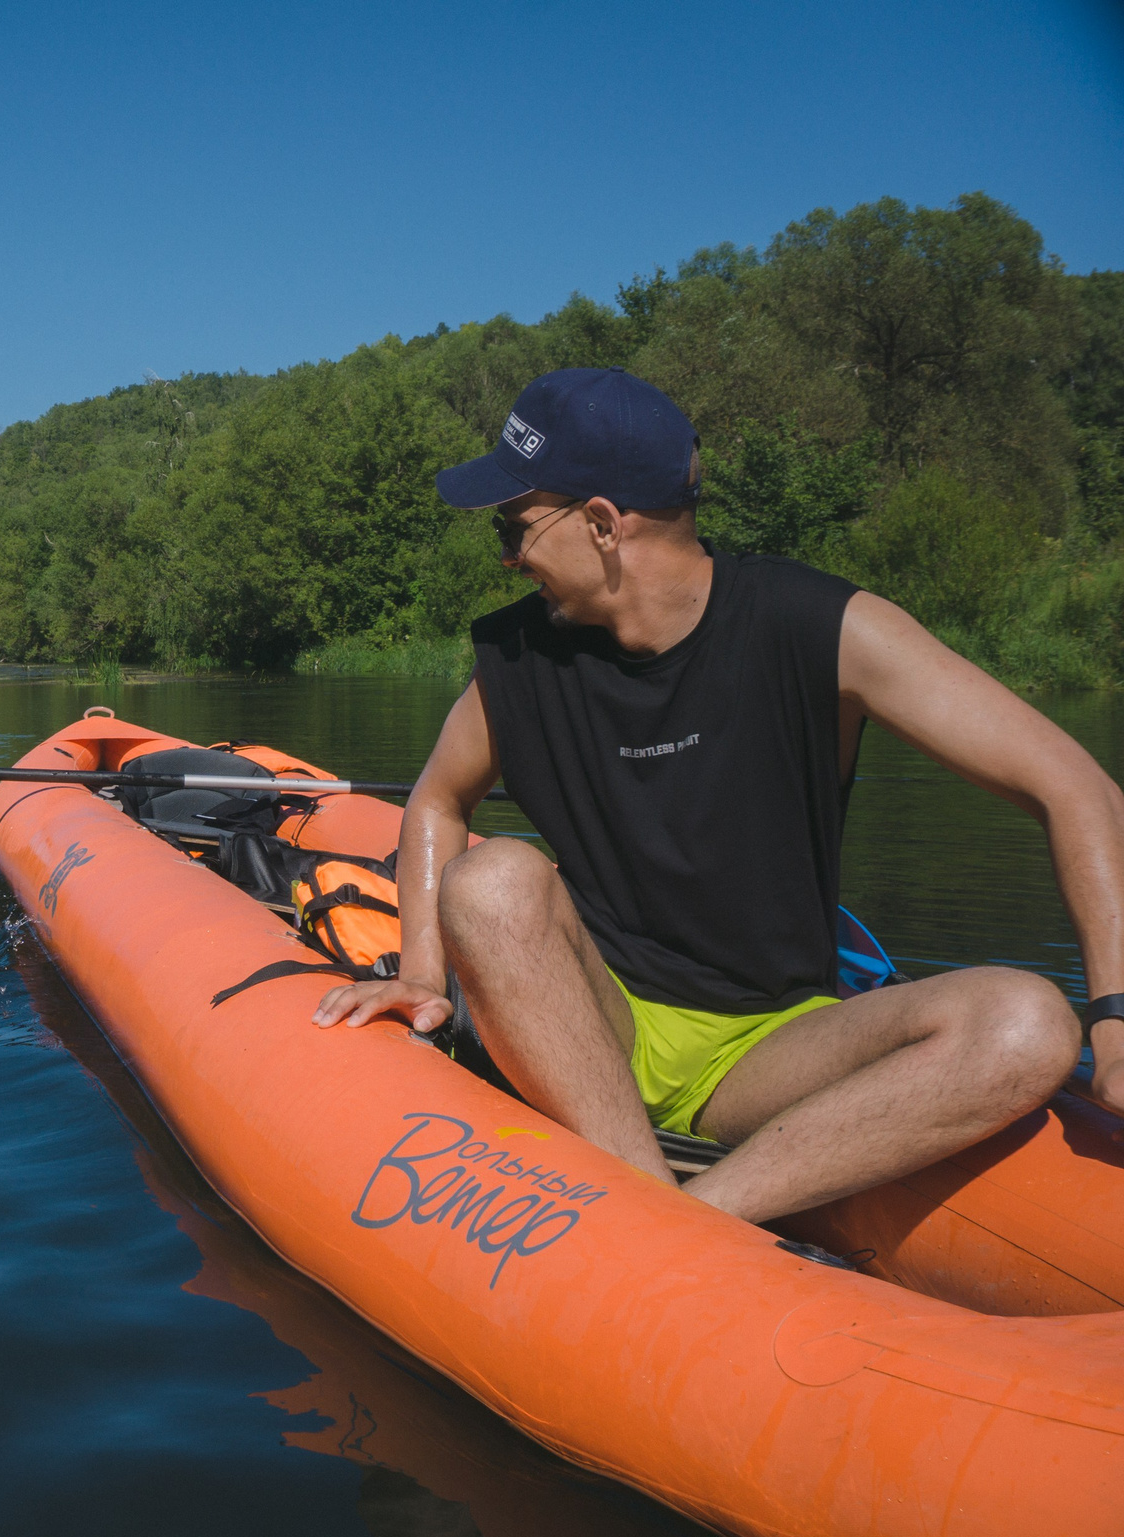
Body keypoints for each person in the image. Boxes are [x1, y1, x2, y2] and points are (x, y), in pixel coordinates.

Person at [312, 366, 1124, 1225]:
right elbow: (437, 803)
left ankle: (686, 1225)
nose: (510, 559)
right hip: (594, 1020)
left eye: (514, 530)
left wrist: (1113, 1020)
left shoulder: (821, 626)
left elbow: (1074, 784)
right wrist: (424, 974)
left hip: (774, 1046)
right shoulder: (516, 658)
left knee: (1028, 1023)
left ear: (599, 523)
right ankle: (645, 1197)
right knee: (492, 881)